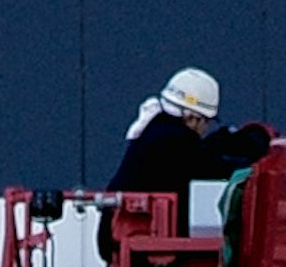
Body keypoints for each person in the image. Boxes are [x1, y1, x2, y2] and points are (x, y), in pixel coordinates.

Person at [109, 66, 274, 205]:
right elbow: (211, 168)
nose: (206, 129)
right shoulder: (174, 141)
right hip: (134, 233)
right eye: (207, 122)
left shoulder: (156, 132)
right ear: (193, 118)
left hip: (120, 232)